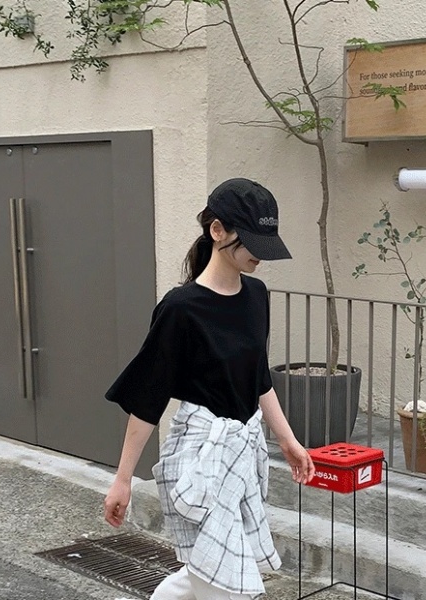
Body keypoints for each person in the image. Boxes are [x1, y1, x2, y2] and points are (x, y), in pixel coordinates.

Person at [104, 177, 315, 600]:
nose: (260, 254)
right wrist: (123, 480)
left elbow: (258, 378)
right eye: (251, 241)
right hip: (200, 455)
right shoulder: (181, 308)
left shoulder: (256, 295)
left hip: (241, 453)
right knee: (226, 581)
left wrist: (288, 440)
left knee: (206, 571)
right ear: (217, 230)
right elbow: (148, 399)